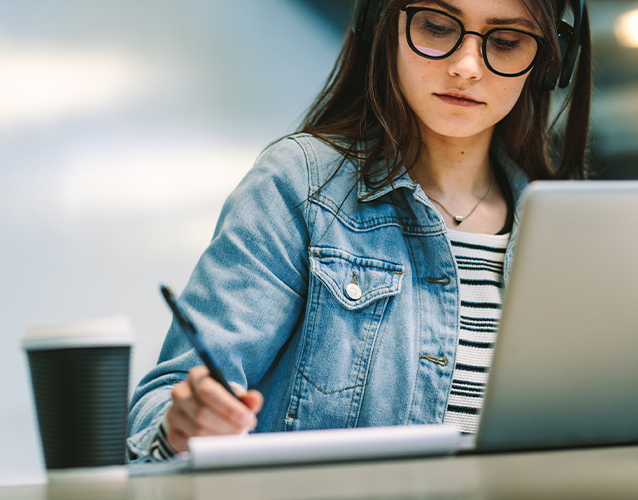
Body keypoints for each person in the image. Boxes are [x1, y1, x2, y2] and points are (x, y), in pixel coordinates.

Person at [127, 0, 592, 461]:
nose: (467, 67)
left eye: (507, 42)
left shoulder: (568, 234)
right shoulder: (300, 187)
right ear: (382, 22)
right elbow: (162, 405)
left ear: (553, 61)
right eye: (436, 26)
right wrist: (185, 424)